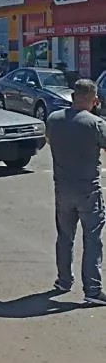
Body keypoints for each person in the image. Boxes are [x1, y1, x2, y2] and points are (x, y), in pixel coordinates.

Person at [46, 79, 106, 304]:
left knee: (65, 236)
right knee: (92, 240)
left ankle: (63, 281)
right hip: (88, 190)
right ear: (95, 100)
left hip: (62, 188)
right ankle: (92, 290)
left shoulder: (53, 119)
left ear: (72, 96)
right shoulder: (96, 123)